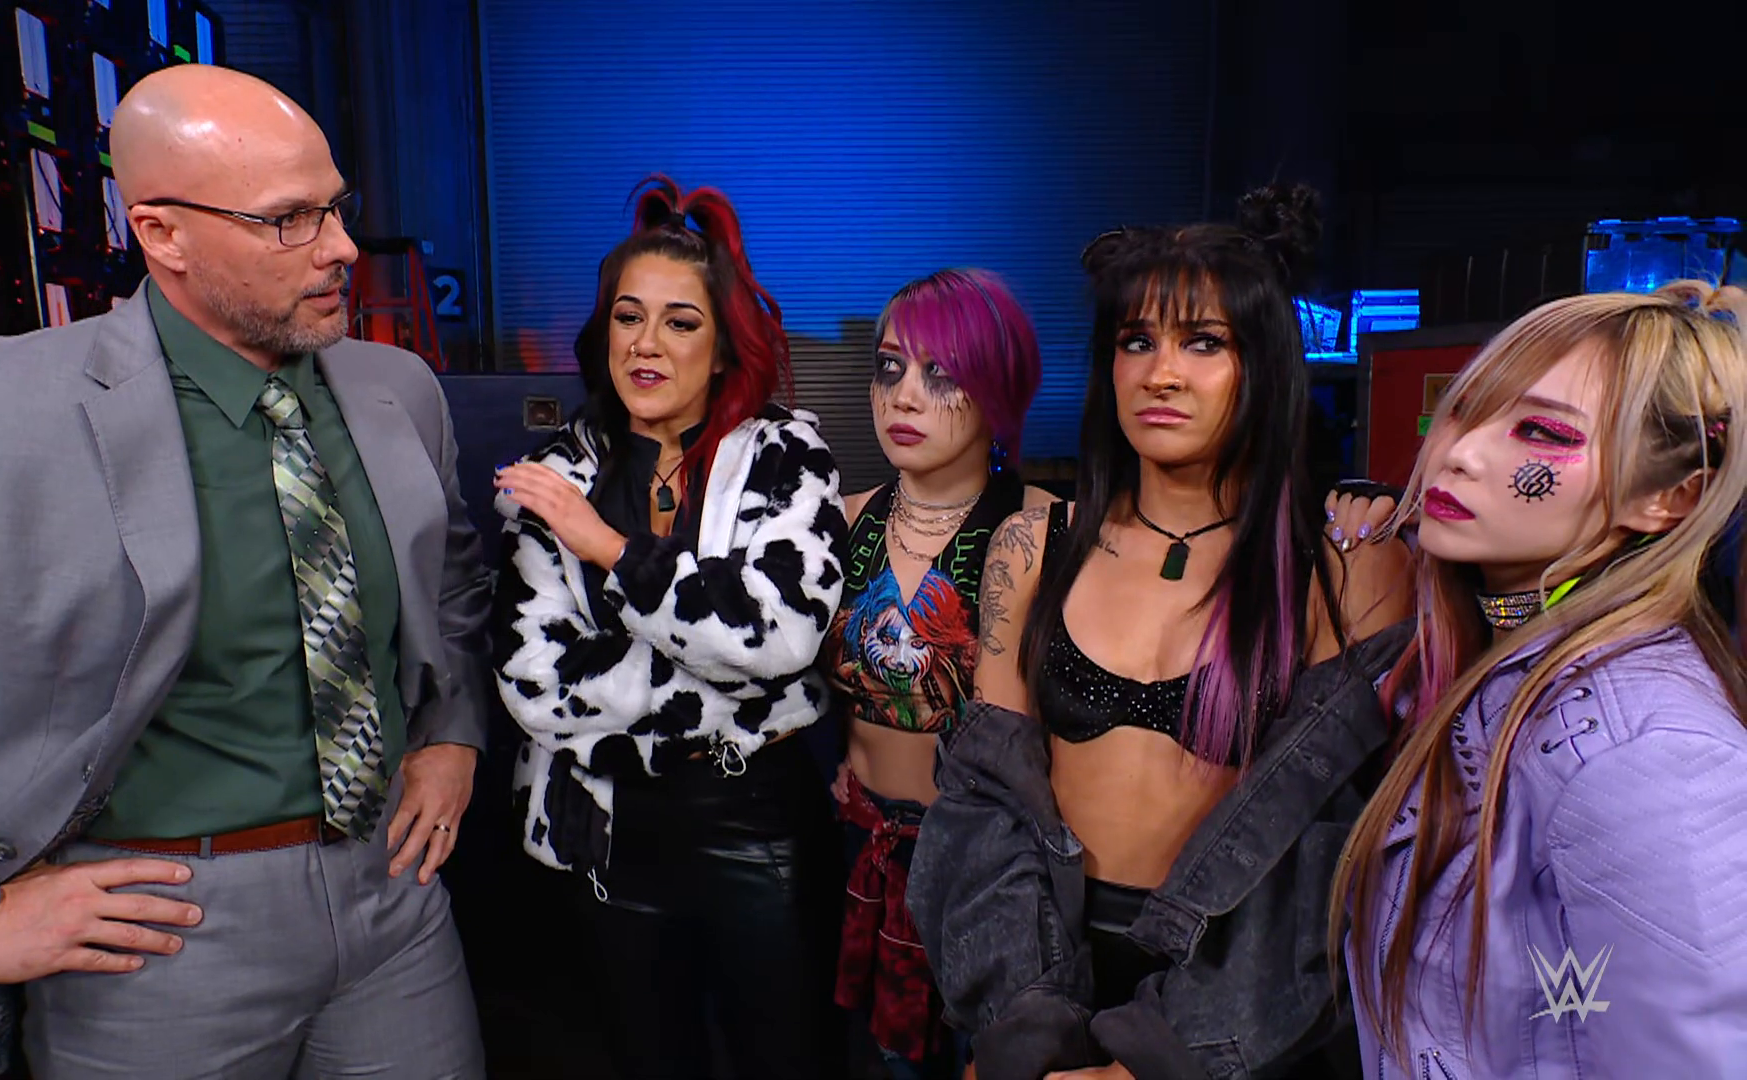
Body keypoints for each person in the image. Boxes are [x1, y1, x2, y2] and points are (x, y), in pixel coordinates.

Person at [0, 65, 490, 1078]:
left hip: (394, 899)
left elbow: (450, 585)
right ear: (162, 234)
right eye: (288, 221)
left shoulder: (398, 387)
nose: (341, 248)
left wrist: (450, 734)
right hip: (154, 934)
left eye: (337, 207)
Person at [908, 185, 1413, 1080]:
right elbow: (987, 800)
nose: (1161, 373)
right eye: (1136, 341)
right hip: (1040, 963)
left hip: (1238, 1005)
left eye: (1204, 342)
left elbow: (1325, 850)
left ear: (1264, 363)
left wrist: (1162, 1059)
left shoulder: (1342, 569)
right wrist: (1019, 1024)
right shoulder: (1035, 547)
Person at [1334, 283, 1747, 1078]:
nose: (1459, 452)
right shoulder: (1488, 661)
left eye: (1542, 431)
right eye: (1462, 410)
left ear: (1669, 498)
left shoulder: (1645, 754)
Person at [491, 176, 848, 1080]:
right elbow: (535, 680)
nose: (646, 343)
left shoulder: (785, 455)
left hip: (754, 821)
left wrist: (610, 551)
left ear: (722, 347)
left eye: (680, 322)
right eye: (628, 317)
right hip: (606, 822)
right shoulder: (554, 474)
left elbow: (782, 637)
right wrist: (722, 673)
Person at [822, 268, 1050, 1079]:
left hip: (987, 863)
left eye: (941, 373)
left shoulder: (1046, 527)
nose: (904, 396)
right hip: (857, 845)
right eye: (889, 367)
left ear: (1000, 388)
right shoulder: (841, 521)